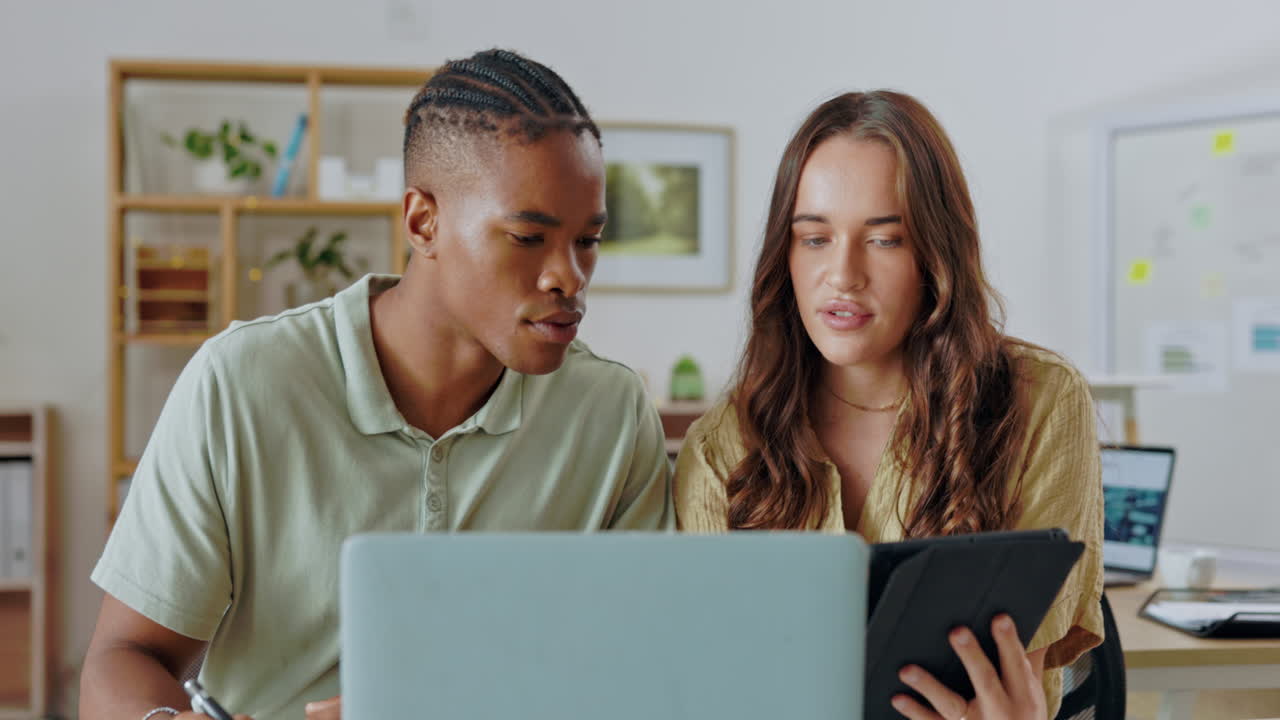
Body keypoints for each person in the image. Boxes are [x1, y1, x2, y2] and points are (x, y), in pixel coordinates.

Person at [81, 49, 672, 720]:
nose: (569, 276)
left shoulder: (611, 414)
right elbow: (126, 656)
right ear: (423, 222)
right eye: (528, 237)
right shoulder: (241, 384)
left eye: (587, 241)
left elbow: (638, 666)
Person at [674, 91, 1103, 720]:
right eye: (814, 238)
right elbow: (717, 685)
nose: (843, 275)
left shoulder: (1037, 402)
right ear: (784, 255)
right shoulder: (724, 445)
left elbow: (1022, 682)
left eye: (885, 240)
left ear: (936, 253)